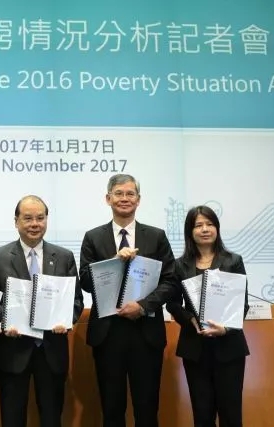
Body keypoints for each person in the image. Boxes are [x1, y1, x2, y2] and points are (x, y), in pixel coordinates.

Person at [79, 173, 180, 427]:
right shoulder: (93, 237)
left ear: (138, 199)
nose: (124, 198)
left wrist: (143, 306)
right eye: (119, 194)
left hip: (146, 333)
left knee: (147, 409)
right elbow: (86, 282)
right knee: (111, 409)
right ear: (108, 198)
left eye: (130, 194)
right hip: (108, 334)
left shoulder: (156, 236)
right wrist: (114, 262)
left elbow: (170, 281)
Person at [0, 195, 84, 427]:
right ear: (16, 221)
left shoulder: (64, 256)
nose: (34, 224)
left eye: (40, 218)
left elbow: (76, 300)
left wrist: (66, 320)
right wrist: (4, 322)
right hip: (12, 351)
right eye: (28, 218)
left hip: (51, 350)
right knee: (12, 419)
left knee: (52, 418)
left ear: (47, 220)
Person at [166, 205, 250, 427]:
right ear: (190, 231)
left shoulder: (233, 260)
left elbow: (242, 304)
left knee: (231, 414)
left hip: (229, 346)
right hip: (195, 348)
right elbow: (172, 303)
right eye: (198, 225)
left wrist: (226, 328)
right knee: (202, 414)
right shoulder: (179, 265)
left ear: (217, 228)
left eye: (210, 224)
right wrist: (190, 320)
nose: (205, 229)